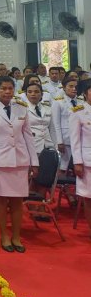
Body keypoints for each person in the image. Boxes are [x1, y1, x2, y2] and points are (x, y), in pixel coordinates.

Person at [0, 76, 39, 252]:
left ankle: (16, 236)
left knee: (17, 201)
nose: (7, 92)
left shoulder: (21, 107)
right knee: (0, 200)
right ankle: (4, 234)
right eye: (3, 88)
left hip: (19, 160)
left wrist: (34, 162)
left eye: (10, 88)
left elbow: (28, 136)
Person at [69, 79, 91, 236]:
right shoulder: (78, 112)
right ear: (85, 93)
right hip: (88, 161)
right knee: (89, 198)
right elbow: (75, 140)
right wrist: (77, 162)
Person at [52, 75, 79, 176]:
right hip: (65, 138)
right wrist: (59, 141)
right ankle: (59, 188)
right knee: (63, 166)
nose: (73, 89)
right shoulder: (58, 102)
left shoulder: (80, 101)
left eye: (76, 86)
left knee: (77, 165)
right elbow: (56, 123)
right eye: (70, 86)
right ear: (64, 87)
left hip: (78, 139)